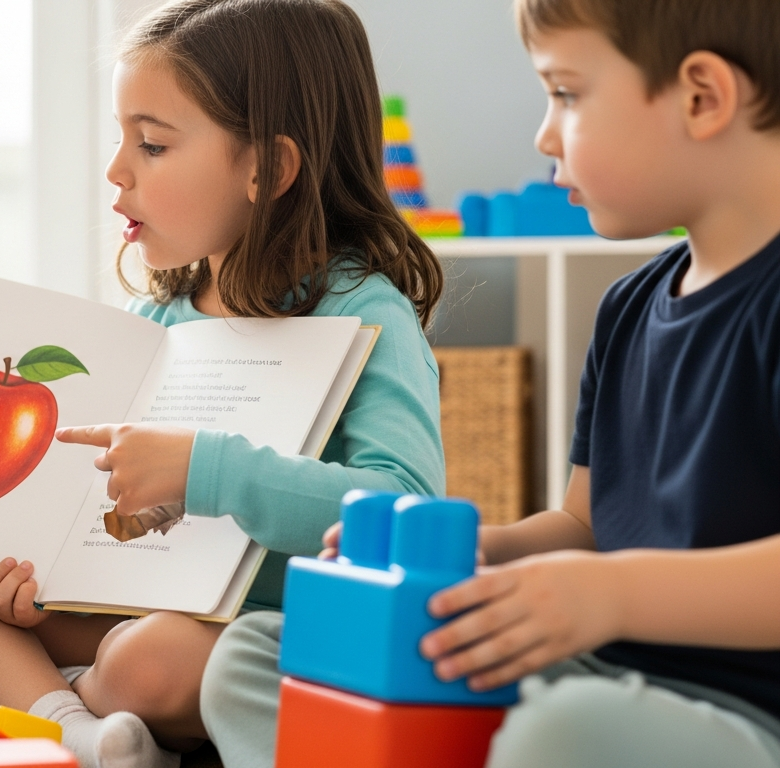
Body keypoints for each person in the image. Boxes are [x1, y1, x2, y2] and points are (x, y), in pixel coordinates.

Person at [200, 1, 780, 766]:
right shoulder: (631, 307)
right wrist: (465, 565)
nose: (545, 135)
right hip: (601, 674)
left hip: (743, 716)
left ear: (702, 96)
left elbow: (608, 575)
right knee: (255, 657)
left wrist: (607, 596)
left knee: (560, 732)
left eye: (566, 94)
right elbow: (584, 529)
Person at [0, 1, 446, 765]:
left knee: (157, 660)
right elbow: (101, 510)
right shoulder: (156, 317)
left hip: (242, 628)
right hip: (122, 604)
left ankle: (18, 697)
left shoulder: (365, 313)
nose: (115, 170)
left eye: (151, 144)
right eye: (119, 138)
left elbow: (407, 509)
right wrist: (31, 574)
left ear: (267, 169)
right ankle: (77, 727)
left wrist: (210, 470)